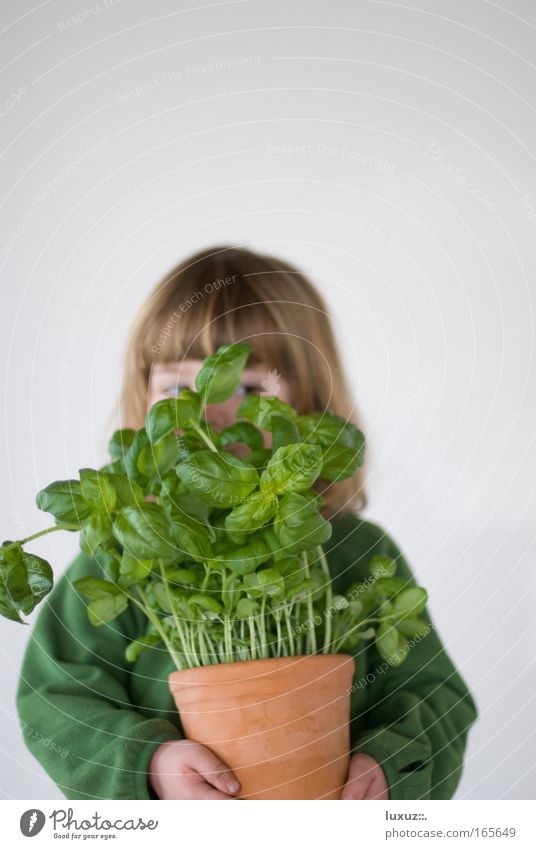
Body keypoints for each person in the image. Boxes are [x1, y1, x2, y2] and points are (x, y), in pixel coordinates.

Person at [16, 244, 478, 800]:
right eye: (178, 390)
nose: (210, 417)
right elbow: (54, 697)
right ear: (145, 399)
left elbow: (436, 698)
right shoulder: (125, 552)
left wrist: (389, 763)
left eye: (251, 387)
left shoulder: (357, 550)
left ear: (308, 398)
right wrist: (148, 763)